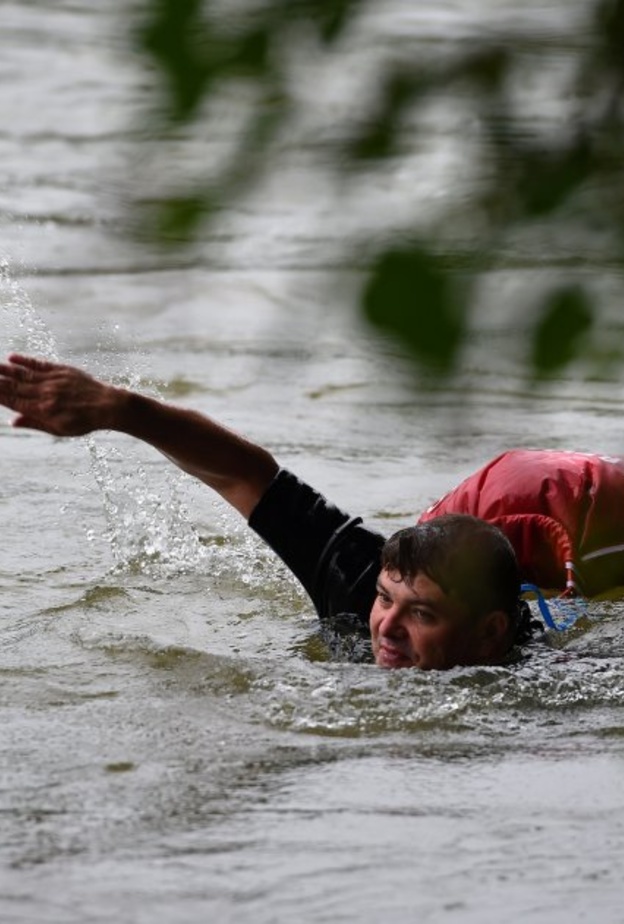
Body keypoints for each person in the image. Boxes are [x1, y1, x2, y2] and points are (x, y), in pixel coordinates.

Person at [0, 353, 552, 670]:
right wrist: (120, 410)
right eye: (388, 600)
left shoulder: (543, 676)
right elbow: (246, 474)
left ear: (489, 635)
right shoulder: (357, 584)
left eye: (422, 615)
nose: (387, 628)